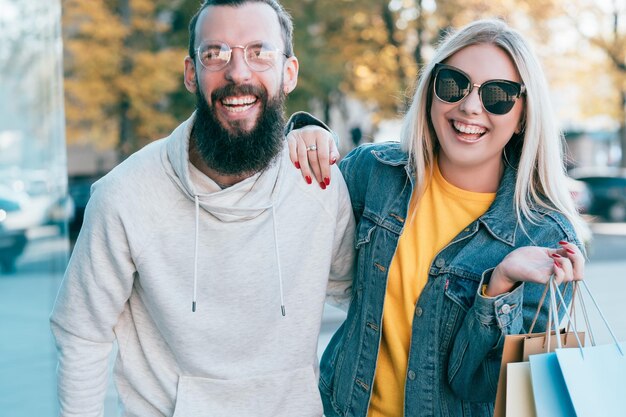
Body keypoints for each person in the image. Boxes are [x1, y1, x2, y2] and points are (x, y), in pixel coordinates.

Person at [50, 1, 355, 416]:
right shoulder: (124, 195)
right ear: (192, 73)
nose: (238, 72)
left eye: (259, 51)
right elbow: (82, 333)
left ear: (289, 73)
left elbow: (364, 300)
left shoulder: (318, 183)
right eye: (215, 53)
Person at [288, 19, 588, 417]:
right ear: (431, 90)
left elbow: (479, 385)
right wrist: (304, 134)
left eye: (497, 95)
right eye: (454, 84)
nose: (469, 107)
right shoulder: (373, 174)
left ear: (523, 116)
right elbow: (282, 234)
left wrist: (498, 287)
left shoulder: (546, 238)